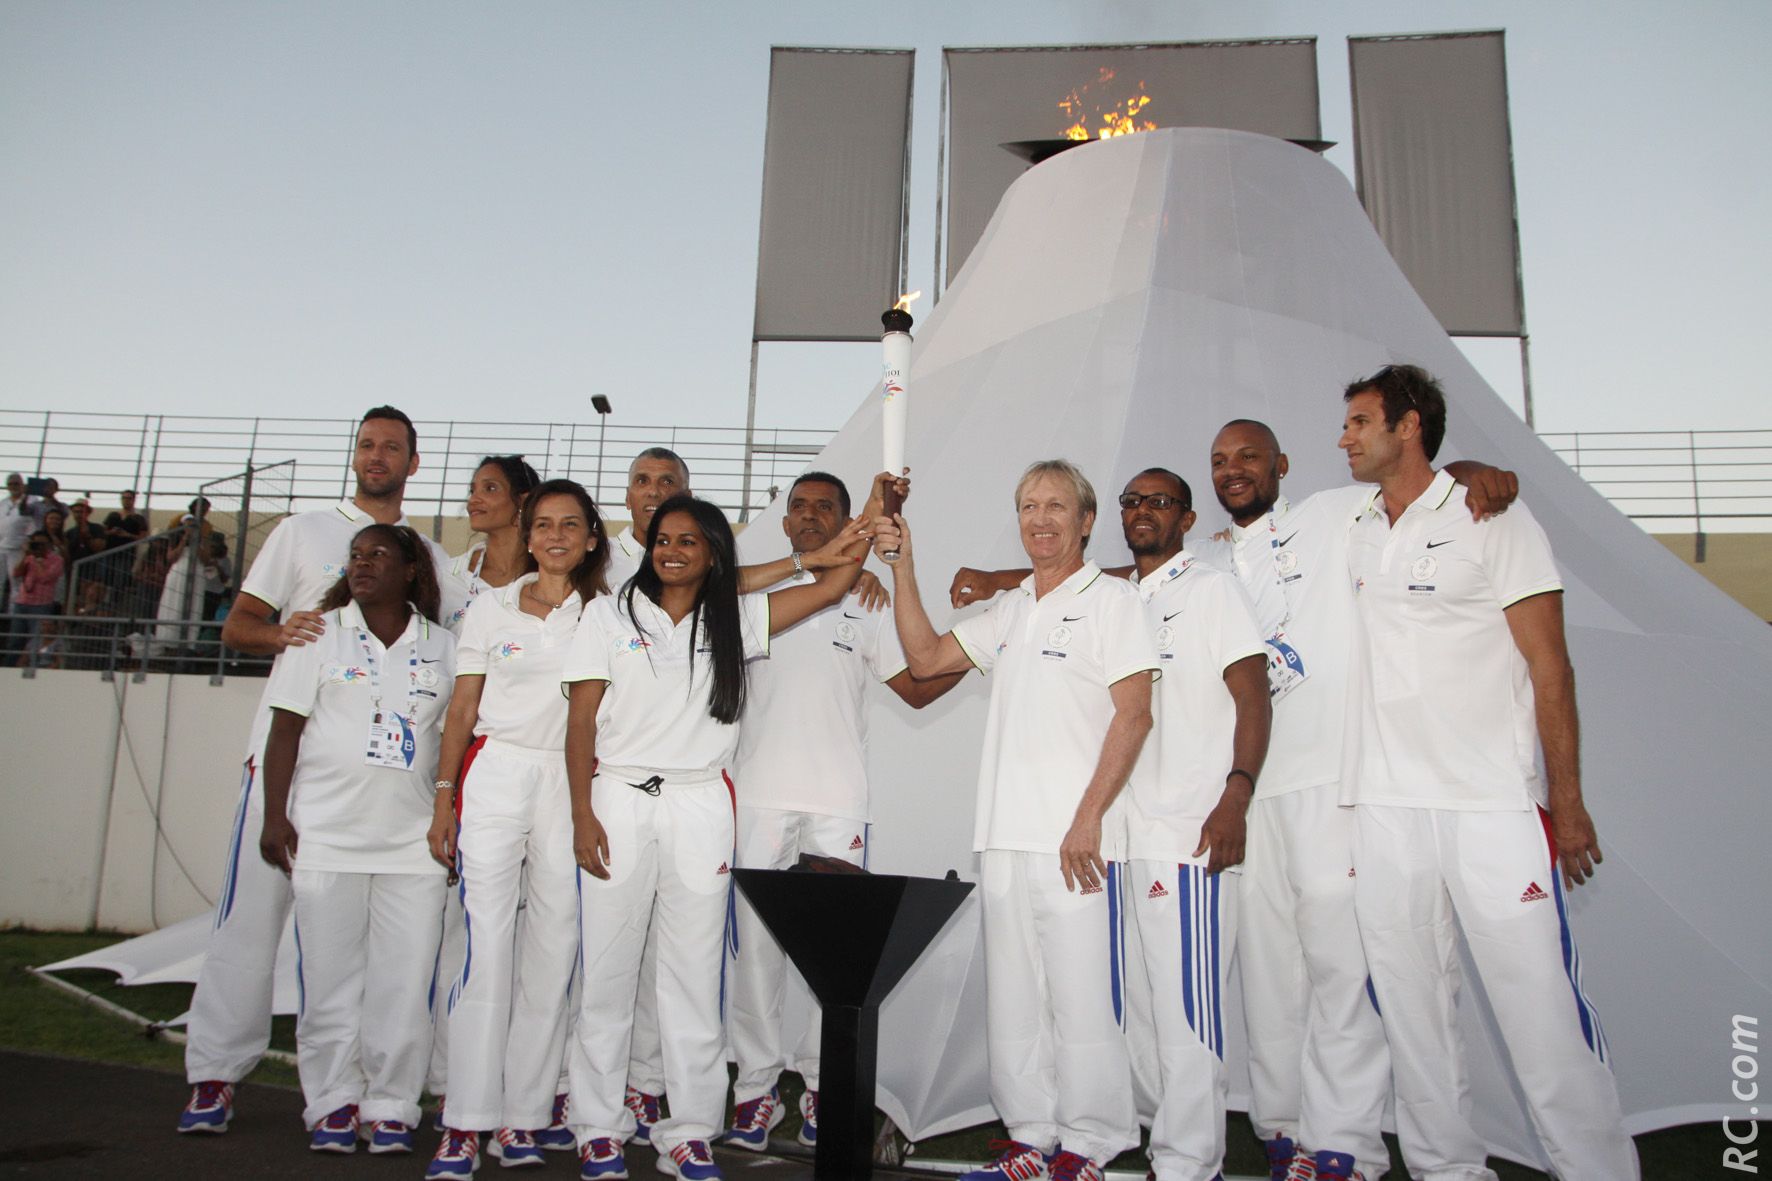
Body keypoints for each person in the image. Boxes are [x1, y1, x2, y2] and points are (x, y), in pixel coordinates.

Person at [951, 428, 1518, 1181]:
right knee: (1171, 1009)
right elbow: (1087, 571)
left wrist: (1234, 793)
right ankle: (1242, 1138)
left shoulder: (1221, 578)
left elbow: (1252, 691)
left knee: (1234, 1000)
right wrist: (998, 576)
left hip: (1201, 823)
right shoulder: (1125, 592)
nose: (1146, 509)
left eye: (1164, 499)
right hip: (1128, 833)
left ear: (1190, 516)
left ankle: (1206, 1160)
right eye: (1134, 500)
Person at [1337, 365, 1637, 1181]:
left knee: (1540, 1014)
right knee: (1413, 1018)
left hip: (1493, 806)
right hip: (1387, 807)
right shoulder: (1357, 522)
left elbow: (1552, 668)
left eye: (1361, 421)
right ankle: (1446, 1171)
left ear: (1408, 427)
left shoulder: (1493, 517)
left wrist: (1566, 804)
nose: (1345, 437)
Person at [562, 493, 872, 1181]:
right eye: (662, 538)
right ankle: (597, 1126)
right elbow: (581, 720)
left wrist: (872, 515)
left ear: (713, 555)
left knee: (693, 975)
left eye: (688, 541)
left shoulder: (735, 616)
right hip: (618, 797)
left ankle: (690, 1129)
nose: (670, 549)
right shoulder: (608, 614)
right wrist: (583, 814)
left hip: (702, 802)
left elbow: (831, 586)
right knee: (608, 972)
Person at [872, 460, 1158, 1181]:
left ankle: (1091, 1143)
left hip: (1078, 841)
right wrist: (904, 566)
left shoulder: (1115, 603)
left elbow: (1135, 714)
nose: (1040, 519)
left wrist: (1088, 816)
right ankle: (1033, 1134)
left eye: (1056, 505)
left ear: (1085, 520)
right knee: (1017, 1001)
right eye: (1028, 505)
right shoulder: (1012, 607)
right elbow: (928, 655)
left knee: (1082, 997)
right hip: (1003, 836)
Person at [178, 406, 456, 1135]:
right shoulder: (303, 531)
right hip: (289, 769)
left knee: (380, 958)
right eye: (366, 444)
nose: (376, 456)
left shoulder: (424, 551)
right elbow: (237, 624)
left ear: (413, 463)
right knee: (251, 922)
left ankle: (387, 1095)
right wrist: (286, 634)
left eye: (391, 446)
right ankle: (213, 1074)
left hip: (390, 801)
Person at [720, 472, 963, 1153]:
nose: (807, 515)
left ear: (842, 518)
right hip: (762, 795)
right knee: (758, 954)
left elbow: (914, 690)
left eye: (824, 506)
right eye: (798, 505)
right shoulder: (752, 591)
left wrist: (978, 647)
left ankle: (826, 1087)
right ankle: (756, 1093)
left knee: (832, 957)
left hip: (837, 802)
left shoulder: (867, 600)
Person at [423, 479, 608, 1178]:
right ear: (527, 536)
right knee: (486, 946)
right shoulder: (491, 608)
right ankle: (464, 1122)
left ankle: (524, 1116)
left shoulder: (608, 612)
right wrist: (446, 798)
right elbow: (462, 707)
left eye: (571, 525)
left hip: (570, 783)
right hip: (496, 774)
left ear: (592, 537)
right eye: (543, 525)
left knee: (553, 949)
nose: (556, 535)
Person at [256, 524, 456, 1155]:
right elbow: (284, 731)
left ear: (411, 571)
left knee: (403, 981)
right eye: (356, 556)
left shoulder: (445, 647)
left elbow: (457, 741)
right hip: (327, 834)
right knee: (330, 979)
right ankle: (332, 1101)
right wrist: (274, 816)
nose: (362, 564)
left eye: (378, 555)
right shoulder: (317, 634)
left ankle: (393, 1104)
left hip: (412, 845)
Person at [429, 454, 543, 1124]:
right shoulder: (450, 577)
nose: (475, 499)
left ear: (522, 502)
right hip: (453, 756)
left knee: (536, 937)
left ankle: (523, 1092)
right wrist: (443, 787)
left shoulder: (560, 587)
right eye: (472, 488)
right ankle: (451, 1079)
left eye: (490, 489)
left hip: (528, 769)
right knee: (462, 933)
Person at [11, 530, 65, 668]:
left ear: (48, 544)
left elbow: (46, 578)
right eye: (36, 543)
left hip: (41, 604)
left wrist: (39, 561)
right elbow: (16, 573)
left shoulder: (56, 559)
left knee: (36, 639)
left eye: (42, 544)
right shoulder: (29, 557)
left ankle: (35, 666)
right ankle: (11, 667)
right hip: (22, 602)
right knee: (15, 640)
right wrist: (25, 555)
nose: (38, 547)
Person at [2, 473, 37, 657]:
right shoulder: (4, 502)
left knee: (16, 581)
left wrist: (27, 544)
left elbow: (33, 523)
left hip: (17, 547)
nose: (13, 486)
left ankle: (12, 611)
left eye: (16, 483)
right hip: (2, 546)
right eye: (11, 483)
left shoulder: (31, 500)